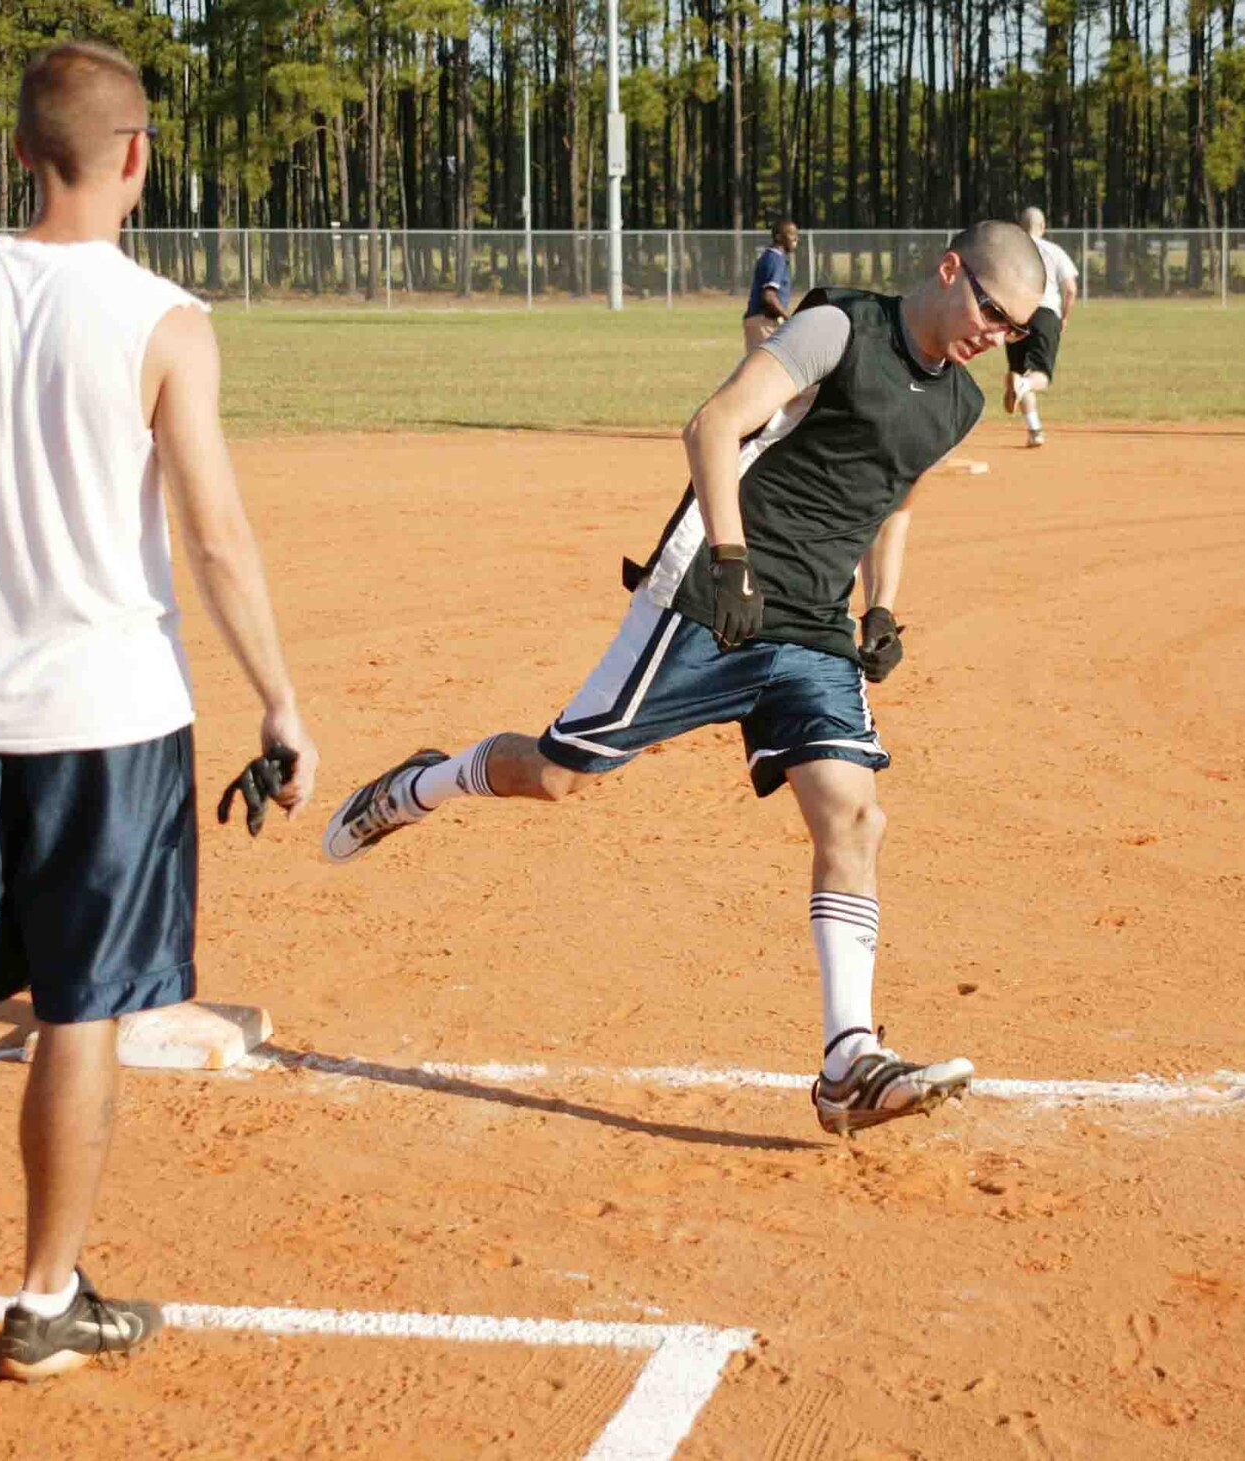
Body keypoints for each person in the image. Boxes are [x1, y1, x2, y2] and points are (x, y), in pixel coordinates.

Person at [0, 40, 318, 1385]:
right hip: (112, 724)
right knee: (82, 1014)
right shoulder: (164, 319)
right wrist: (278, 698)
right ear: (138, 157)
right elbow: (213, 534)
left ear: (19, 155)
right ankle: (44, 1301)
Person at [324, 222, 1045, 1137]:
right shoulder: (839, 329)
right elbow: (713, 424)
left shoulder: (960, 406)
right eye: (991, 310)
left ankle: (847, 1061)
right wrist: (733, 559)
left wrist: (883, 608)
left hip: (813, 624)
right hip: (713, 591)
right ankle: (422, 782)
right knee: (557, 775)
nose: (997, 333)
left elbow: (893, 497)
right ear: (951, 271)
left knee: (855, 814)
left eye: (1014, 326)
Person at [1002, 208, 1078, 448]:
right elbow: (1071, 289)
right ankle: (1023, 385)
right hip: (1045, 313)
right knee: (1040, 376)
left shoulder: (1010, 254)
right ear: (1043, 226)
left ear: (1019, 227)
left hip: (1016, 315)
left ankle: (1034, 430)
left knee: (1019, 370)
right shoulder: (1054, 251)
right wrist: (1064, 317)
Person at [742, 220, 801, 351]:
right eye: (792, 234)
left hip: (768, 321)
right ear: (779, 237)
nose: (796, 238)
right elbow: (769, 296)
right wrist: (788, 318)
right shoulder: (775, 258)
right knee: (763, 369)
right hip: (763, 322)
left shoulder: (777, 257)